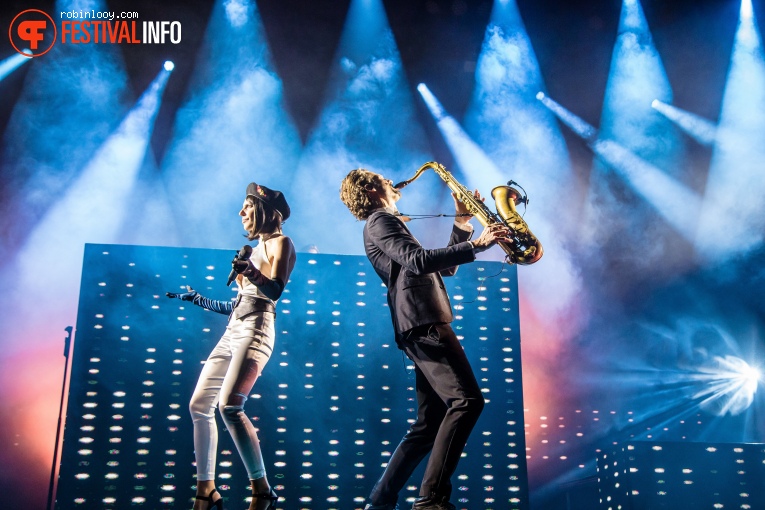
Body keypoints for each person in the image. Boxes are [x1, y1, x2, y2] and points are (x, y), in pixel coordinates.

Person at [339, 169, 511, 510]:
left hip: (418, 322)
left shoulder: (386, 222)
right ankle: (430, 499)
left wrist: (463, 220)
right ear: (371, 189)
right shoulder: (379, 221)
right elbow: (418, 261)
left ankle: (380, 501)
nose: (391, 180)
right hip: (424, 321)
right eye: (382, 178)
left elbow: (440, 268)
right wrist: (477, 244)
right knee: (467, 402)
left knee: (428, 423)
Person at [166, 182, 296, 510]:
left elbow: (274, 292)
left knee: (229, 407)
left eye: (247, 207)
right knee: (199, 405)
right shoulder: (251, 253)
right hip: (233, 331)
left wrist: (250, 271)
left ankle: (262, 489)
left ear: (266, 211)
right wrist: (200, 300)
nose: (240, 213)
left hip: (257, 330)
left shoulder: (282, 243)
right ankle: (206, 490)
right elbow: (239, 304)